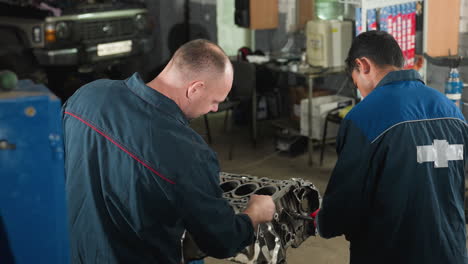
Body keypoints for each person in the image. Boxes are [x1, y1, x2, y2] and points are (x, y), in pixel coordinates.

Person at [62, 39, 276, 264]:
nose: (214, 109)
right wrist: (253, 214)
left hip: (76, 251)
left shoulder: (87, 96)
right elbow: (222, 240)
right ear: (195, 88)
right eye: (215, 101)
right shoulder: (189, 152)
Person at [315, 31, 468, 263]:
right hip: (451, 252)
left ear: (362, 65)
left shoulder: (363, 118)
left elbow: (346, 201)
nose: (362, 93)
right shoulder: (452, 111)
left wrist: (323, 222)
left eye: (357, 84)